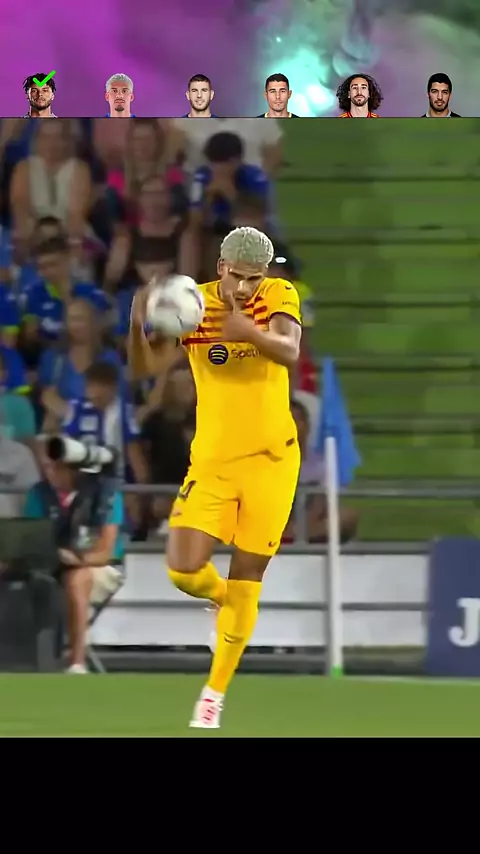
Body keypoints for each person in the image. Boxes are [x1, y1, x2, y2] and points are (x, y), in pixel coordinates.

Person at [129, 226, 302, 729]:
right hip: (213, 462)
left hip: (271, 461)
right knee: (184, 570)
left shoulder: (278, 295)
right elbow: (144, 369)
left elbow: (289, 350)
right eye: (238, 276)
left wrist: (250, 332)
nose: (246, 287)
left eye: (254, 278)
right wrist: (138, 322)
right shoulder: (193, 305)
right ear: (221, 267)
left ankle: (213, 694)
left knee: (249, 574)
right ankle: (225, 600)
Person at [23, 454, 124, 672]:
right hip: (50, 564)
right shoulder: (39, 493)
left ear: (75, 470)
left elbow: (104, 553)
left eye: (57, 468)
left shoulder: (106, 496)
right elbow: (30, 538)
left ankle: (77, 663)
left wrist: (76, 559)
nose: (50, 473)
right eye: (48, 467)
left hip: (99, 567)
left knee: (77, 578)